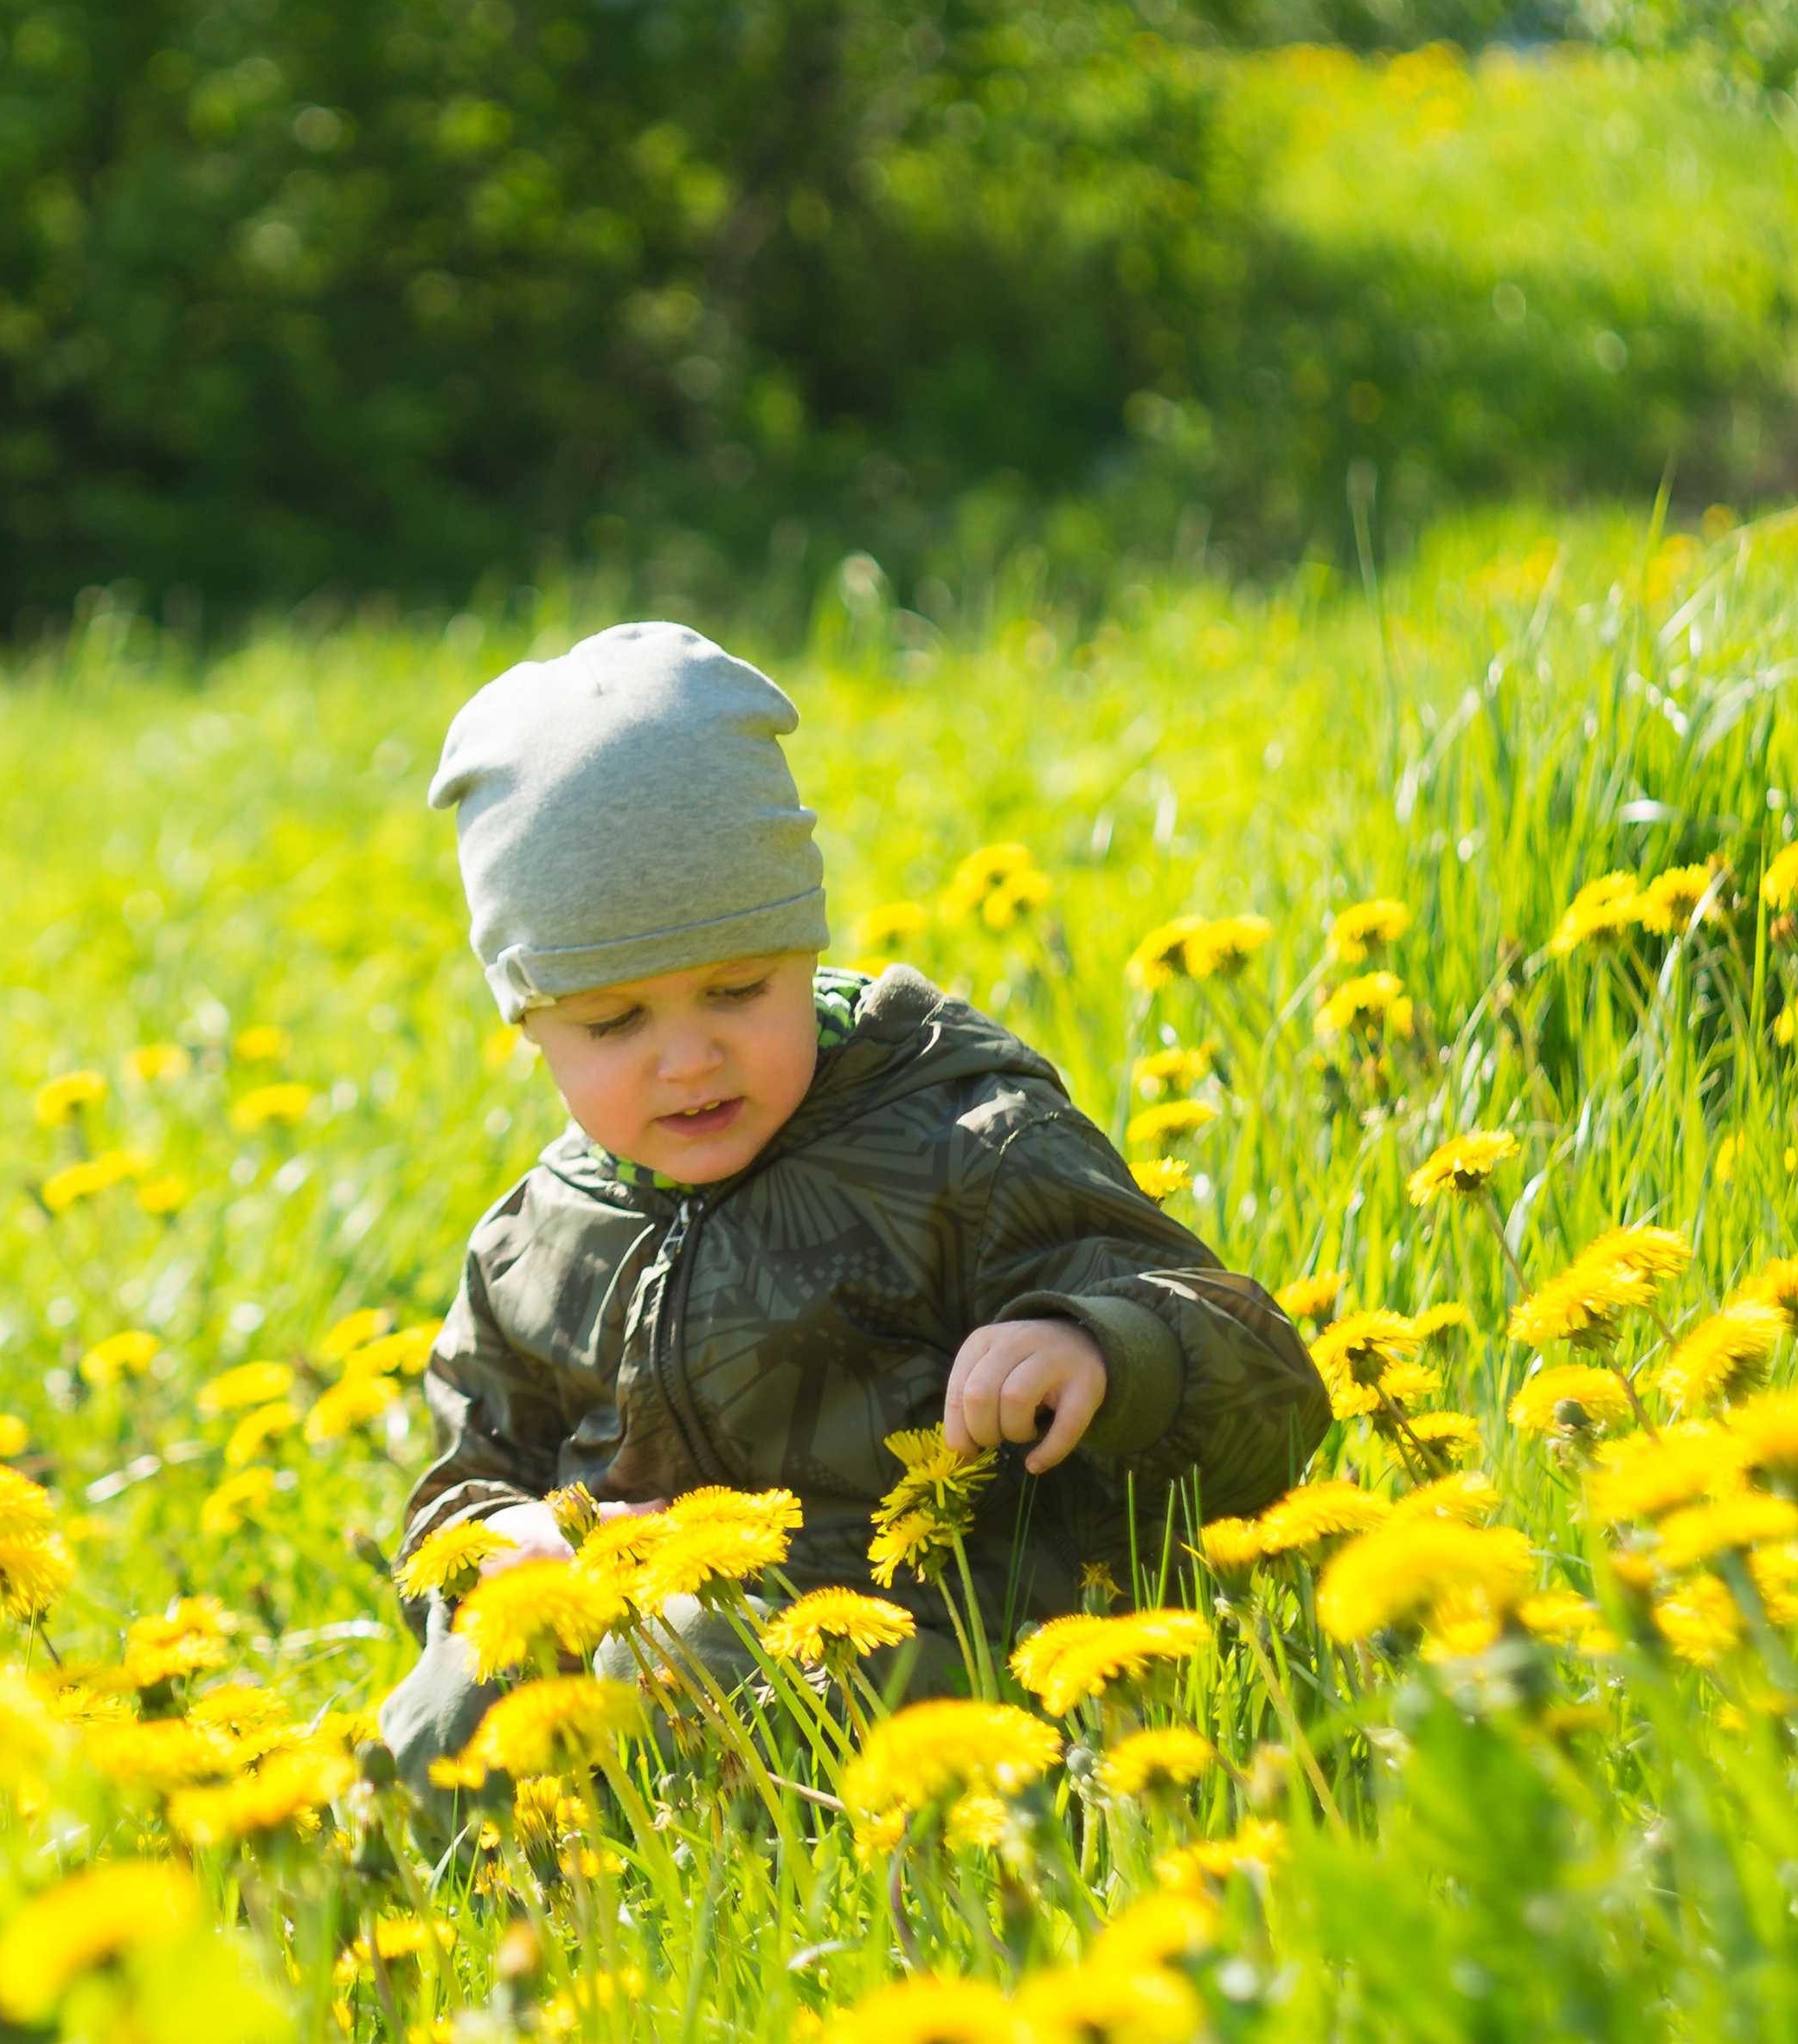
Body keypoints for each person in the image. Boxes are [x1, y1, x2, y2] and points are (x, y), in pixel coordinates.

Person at [376, 620, 1327, 1778]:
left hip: (955, 1661)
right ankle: (430, 1910)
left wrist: (1100, 1346)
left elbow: (1261, 1383)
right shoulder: (537, 1243)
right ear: (528, 1028)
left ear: (807, 947)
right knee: (436, 1722)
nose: (688, 1060)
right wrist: (494, 1542)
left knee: (683, 1664)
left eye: (737, 989)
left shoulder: (957, 1144)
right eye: (614, 1022)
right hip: (646, 1652)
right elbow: (467, 1470)